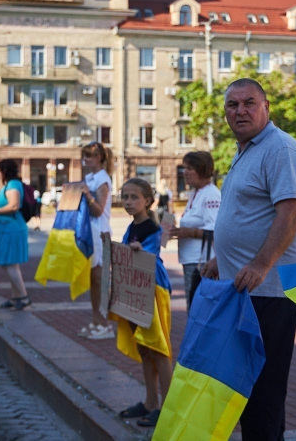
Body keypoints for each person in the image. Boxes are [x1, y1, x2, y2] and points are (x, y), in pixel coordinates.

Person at [203, 78, 296, 441]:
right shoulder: (246, 149)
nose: (240, 111)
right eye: (232, 105)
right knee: (247, 390)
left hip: (272, 290)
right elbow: (246, 214)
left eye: (249, 103)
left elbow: (290, 215)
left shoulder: (280, 149)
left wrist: (261, 264)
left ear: (266, 108)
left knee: (263, 391)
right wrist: (222, 258)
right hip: (246, 288)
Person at [114, 178, 172, 428]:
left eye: (133, 197)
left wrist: (139, 251)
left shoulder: (152, 229)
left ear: (147, 201)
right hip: (135, 288)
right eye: (125, 197)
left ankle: (168, 407)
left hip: (153, 290)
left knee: (159, 350)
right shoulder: (132, 226)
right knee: (144, 349)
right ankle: (150, 402)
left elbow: (153, 255)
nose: (128, 202)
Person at [170, 151, 221, 313]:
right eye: (184, 168)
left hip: (202, 262)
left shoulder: (211, 193)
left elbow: (216, 231)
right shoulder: (195, 193)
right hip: (191, 259)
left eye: (189, 168)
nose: (184, 172)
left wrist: (188, 232)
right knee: (194, 307)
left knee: (198, 309)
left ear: (202, 170)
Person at [77, 141, 114, 339]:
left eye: (89, 156)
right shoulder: (90, 177)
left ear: (99, 158)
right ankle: (96, 320)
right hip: (90, 232)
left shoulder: (102, 179)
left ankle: (105, 323)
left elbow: (99, 209)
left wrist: (87, 196)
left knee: (101, 280)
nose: (85, 160)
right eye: (84, 156)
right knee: (93, 280)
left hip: (101, 233)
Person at [0, 159, 31, 311]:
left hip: (11, 228)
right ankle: (15, 297)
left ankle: (23, 297)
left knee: (8, 264)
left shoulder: (13, 184)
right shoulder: (9, 185)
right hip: (6, 228)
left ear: (4, 171)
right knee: (11, 263)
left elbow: (14, 206)